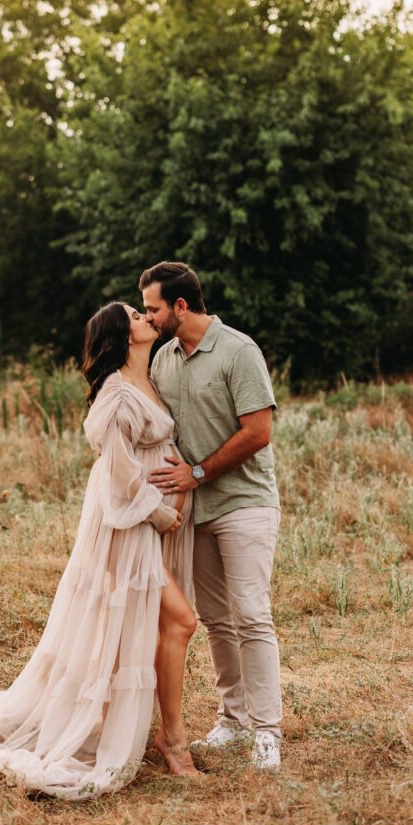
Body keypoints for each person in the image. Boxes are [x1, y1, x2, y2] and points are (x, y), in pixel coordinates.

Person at [0, 301, 202, 798]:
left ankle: (142, 729)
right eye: (136, 317)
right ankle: (171, 739)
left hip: (144, 527)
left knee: (129, 632)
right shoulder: (115, 395)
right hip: (125, 527)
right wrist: (159, 511)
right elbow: (118, 471)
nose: (147, 319)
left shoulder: (150, 382)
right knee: (178, 621)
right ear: (123, 337)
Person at [139, 261, 282, 772]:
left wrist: (197, 473)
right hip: (195, 510)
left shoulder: (239, 351)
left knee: (251, 613)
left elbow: (258, 432)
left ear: (180, 305)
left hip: (244, 502)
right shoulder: (164, 359)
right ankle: (233, 719)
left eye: (153, 309)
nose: (148, 317)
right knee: (218, 619)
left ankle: (267, 731)